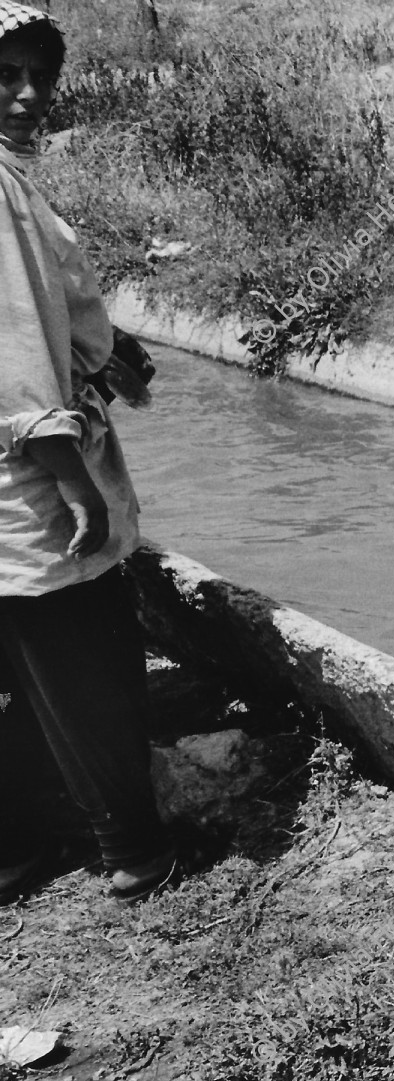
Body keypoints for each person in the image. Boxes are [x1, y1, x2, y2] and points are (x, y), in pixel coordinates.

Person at [0, 2, 175, 903]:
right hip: (30, 478)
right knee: (86, 654)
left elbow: (39, 314)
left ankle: (16, 848)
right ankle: (133, 848)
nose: (30, 96)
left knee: (21, 663)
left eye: (41, 76)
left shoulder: (10, 176)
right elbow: (17, 348)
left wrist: (114, 348)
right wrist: (76, 486)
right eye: (7, 76)